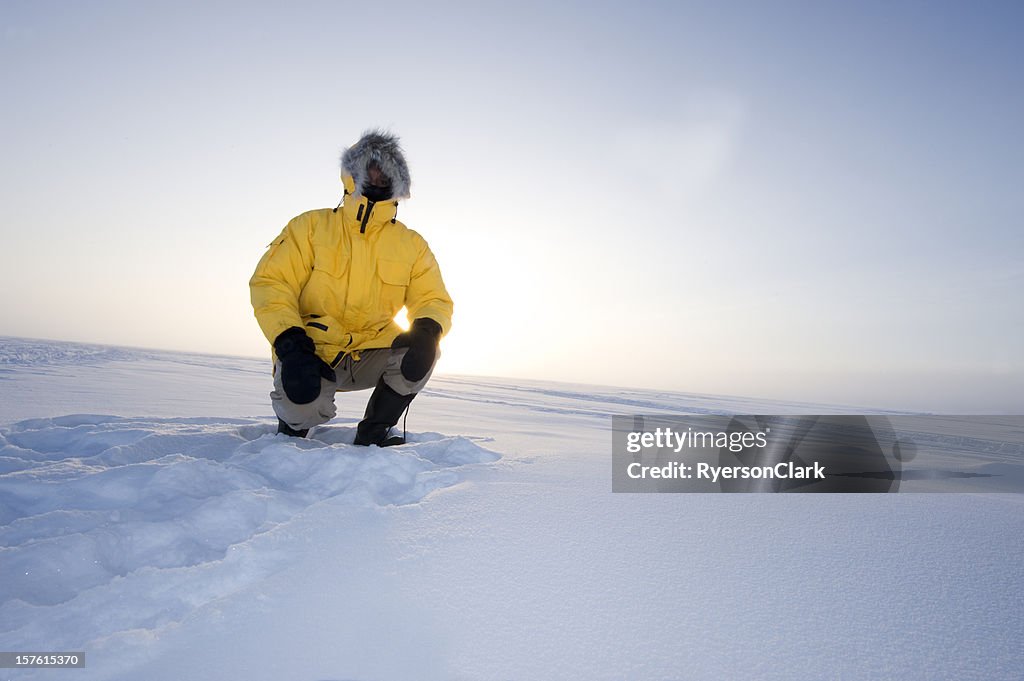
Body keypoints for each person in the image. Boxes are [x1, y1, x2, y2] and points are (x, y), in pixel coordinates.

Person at [250, 130, 453, 445]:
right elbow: (272, 284)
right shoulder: (309, 227)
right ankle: (293, 431)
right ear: (351, 174)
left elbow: (432, 298)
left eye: (385, 171)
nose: (377, 176)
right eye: (369, 168)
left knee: (423, 351)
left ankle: (374, 431)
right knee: (302, 403)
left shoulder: (411, 244)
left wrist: (427, 330)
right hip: (312, 351)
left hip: (373, 349)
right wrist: (289, 342)